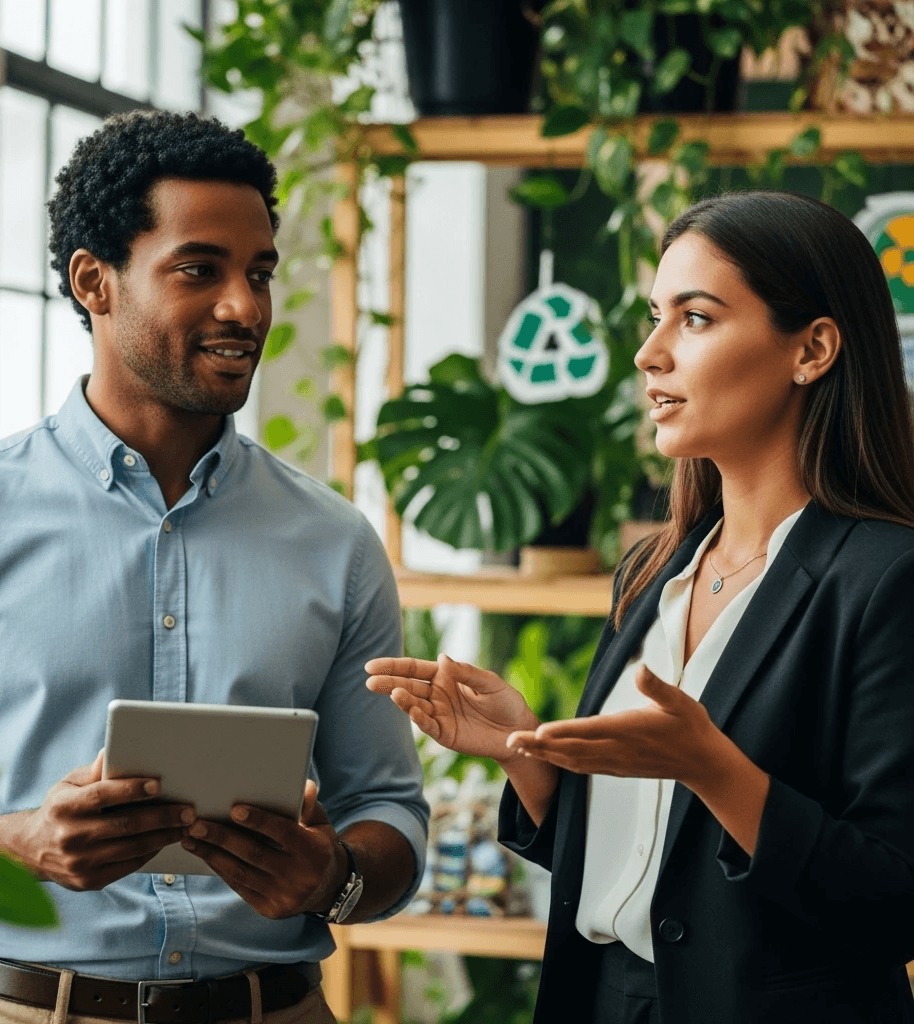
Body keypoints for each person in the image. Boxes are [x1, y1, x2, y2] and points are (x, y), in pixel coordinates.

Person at [367, 190, 914, 1024]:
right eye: (656, 318)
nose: (649, 355)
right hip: (605, 1001)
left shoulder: (888, 578)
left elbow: (893, 898)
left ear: (813, 349)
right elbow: (647, 866)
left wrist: (713, 766)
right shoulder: (653, 573)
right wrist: (531, 756)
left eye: (694, 318)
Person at [0, 110, 428, 1024]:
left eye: (260, 272)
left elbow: (391, 818)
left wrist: (335, 876)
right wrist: (23, 844)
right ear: (94, 282)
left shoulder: (336, 541)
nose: (247, 306)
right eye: (200, 269)